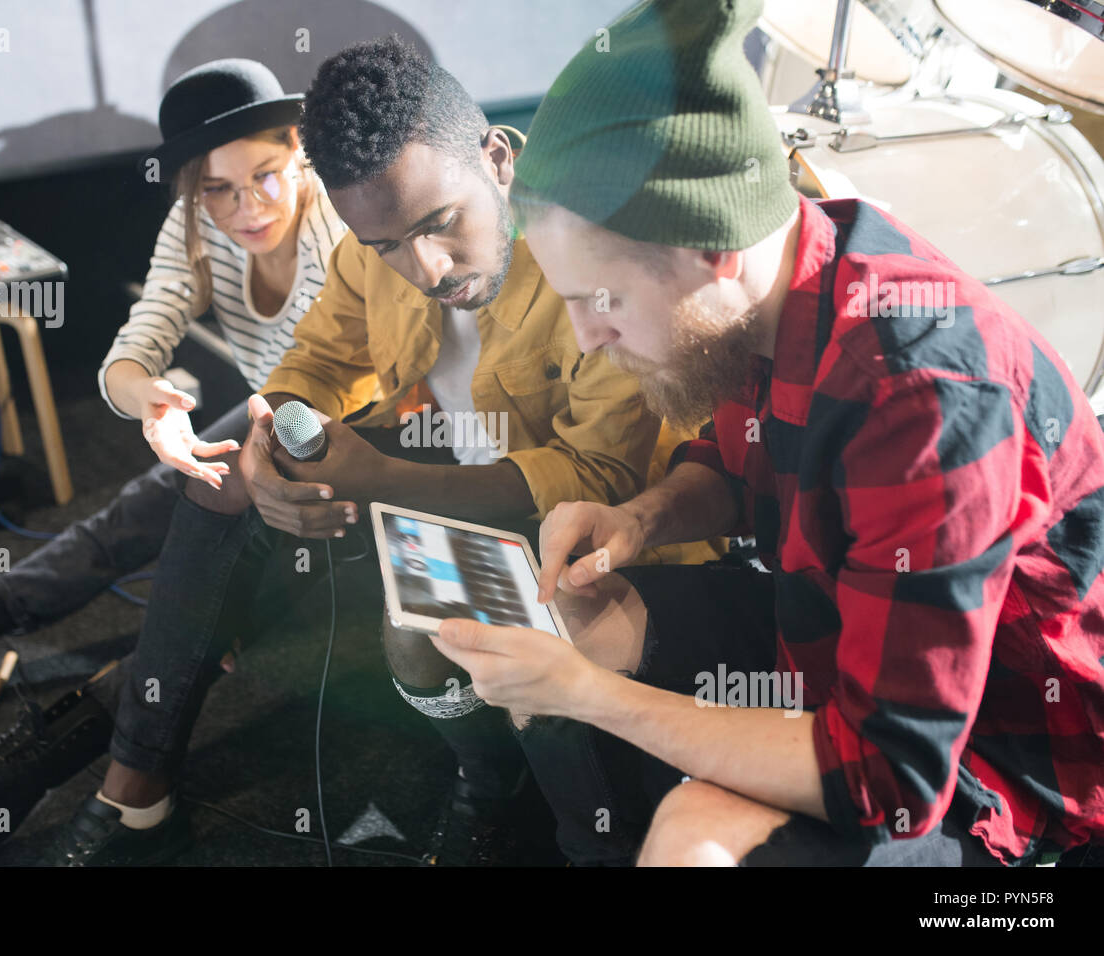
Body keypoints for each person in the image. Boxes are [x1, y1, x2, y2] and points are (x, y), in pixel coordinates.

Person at [434, 0, 1104, 867]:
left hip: (1002, 768)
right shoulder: (774, 289)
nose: (587, 334)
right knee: (580, 623)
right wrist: (645, 518)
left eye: (602, 301)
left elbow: (888, 775)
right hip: (837, 639)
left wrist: (595, 697)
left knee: (693, 840)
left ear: (715, 251)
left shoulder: (922, 393)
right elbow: (735, 455)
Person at [26, 37, 720, 866]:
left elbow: (597, 477)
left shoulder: (588, 249)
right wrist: (270, 441)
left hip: (597, 530)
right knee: (220, 483)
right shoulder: (374, 243)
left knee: (415, 635)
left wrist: (382, 476)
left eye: (441, 225)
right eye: (388, 244)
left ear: (497, 159)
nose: (424, 266)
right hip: (457, 467)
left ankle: (492, 790)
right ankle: (137, 782)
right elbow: (316, 362)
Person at [0, 59, 347, 850]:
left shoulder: (340, 232)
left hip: (349, 453)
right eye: (218, 189)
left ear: (299, 148)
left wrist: (254, 463)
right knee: (137, 509)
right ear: (192, 190)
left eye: (267, 176)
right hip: (265, 426)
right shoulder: (200, 222)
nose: (247, 208)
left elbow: (364, 397)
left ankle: (23, 764)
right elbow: (136, 346)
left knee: (193, 600)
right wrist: (152, 406)